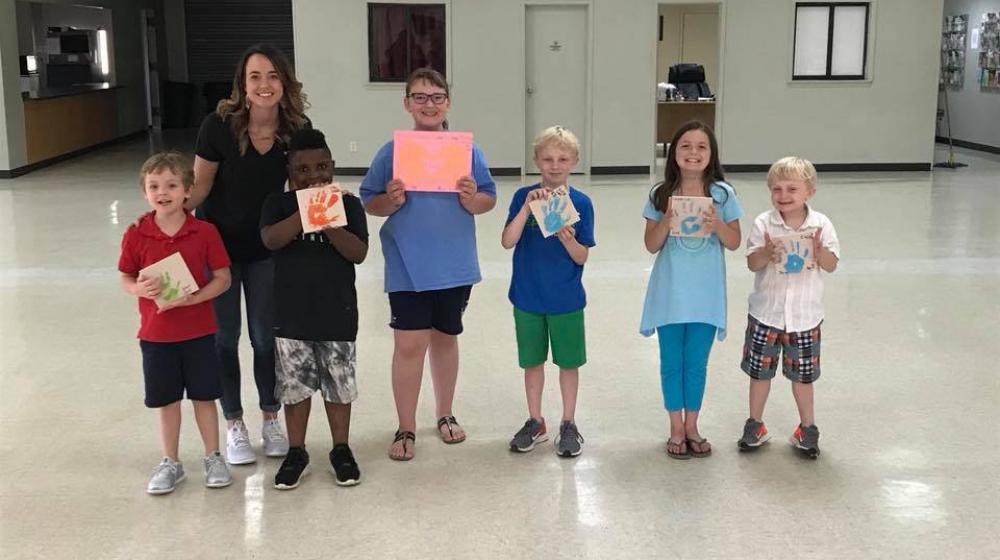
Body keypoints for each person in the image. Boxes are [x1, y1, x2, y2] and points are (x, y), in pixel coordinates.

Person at [360, 67, 497, 461]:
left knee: (444, 338)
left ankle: (444, 413)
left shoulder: (467, 151)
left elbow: (488, 198)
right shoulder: (393, 152)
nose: (429, 104)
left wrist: (472, 199)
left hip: (453, 263)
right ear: (407, 105)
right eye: (419, 97)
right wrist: (391, 199)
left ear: (448, 103)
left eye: (437, 96)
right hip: (407, 264)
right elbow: (371, 202)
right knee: (409, 344)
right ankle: (405, 425)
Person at [190, 44, 311, 464]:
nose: (264, 85)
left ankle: (270, 416)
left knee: (265, 339)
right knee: (225, 339)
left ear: (285, 83)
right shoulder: (216, 126)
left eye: (273, 76)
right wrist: (163, 222)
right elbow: (200, 189)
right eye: (255, 76)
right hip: (218, 252)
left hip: (265, 250)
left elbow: (303, 189)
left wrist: (330, 206)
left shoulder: (296, 128)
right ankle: (234, 424)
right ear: (243, 84)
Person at [118, 152, 233, 494]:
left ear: (187, 191)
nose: (162, 192)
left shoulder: (205, 232)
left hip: (199, 332)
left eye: (171, 185)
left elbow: (223, 277)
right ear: (145, 192)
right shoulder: (137, 234)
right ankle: (171, 461)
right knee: (166, 401)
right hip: (156, 335)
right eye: (154, 186)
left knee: (204, 397)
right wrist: (137, 287)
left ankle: (213, 456)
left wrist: (196, 298)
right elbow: (125, 275)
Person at [259, 129, 368, 488]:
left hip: (337, 314)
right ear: (290, 171)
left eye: (322, 167)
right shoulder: (278, 204)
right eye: (303, 169)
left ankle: (341, 448)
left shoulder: (348, 205)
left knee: (338, 388)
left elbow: (358, 253)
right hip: (290, 317)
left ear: (332, 167)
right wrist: (309, 213)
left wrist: (330, 221)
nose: (314, 176)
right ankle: (297, 450)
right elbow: (272, 239)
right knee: (295, 390)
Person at [640, 121, 743, 460]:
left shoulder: (723, 194)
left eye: (701, 146)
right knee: (672, 361)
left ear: (711, 154)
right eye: (685, 145)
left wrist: (718, 225)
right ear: (674, 153)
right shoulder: (660, 194)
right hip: (670, 293)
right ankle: (674, 426)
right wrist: (666, 222)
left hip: (705, 294)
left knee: (696, 363)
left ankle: (692, 425)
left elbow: (734, 242)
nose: (693, 153)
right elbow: (651, 246)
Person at [501, 126, 595, 457]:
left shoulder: (581, 203)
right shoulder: (522, 197)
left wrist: (569, 239)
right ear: (537, 161)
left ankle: (568, 422)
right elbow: (507, 241)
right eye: (548, 159)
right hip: (527, 297)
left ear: (574, 162)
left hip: (566, 299)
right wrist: (527, 207)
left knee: (569, 363)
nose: (555, 166)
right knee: (532, 362)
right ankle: (535, 420)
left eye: (563, 159)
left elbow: (583, 256)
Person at [737, 156, 840, 459]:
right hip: (766, 314)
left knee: (803, 377)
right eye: (777, 190)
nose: (783, 196)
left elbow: (832, 265)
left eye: (792, 190)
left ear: (810, 191)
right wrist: (766, 252)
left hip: (805, 318)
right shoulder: (763, 223)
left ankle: (807, 427)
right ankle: (755, 423)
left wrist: (820, 252)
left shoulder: (821, 225)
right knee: (760, 374)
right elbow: (751, 263)